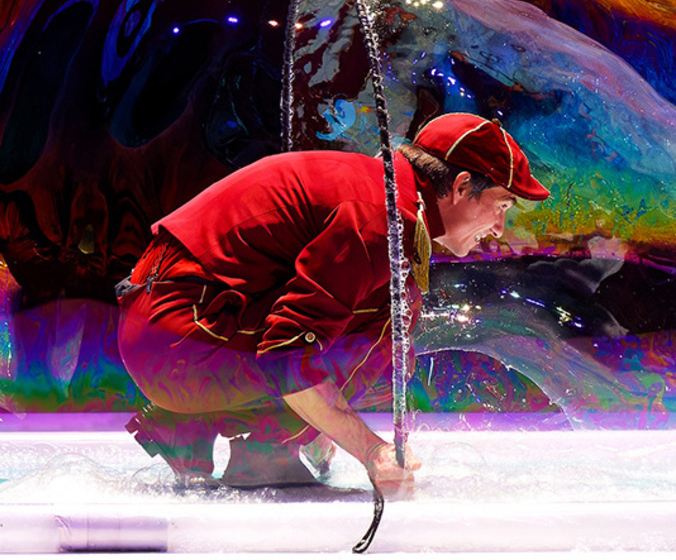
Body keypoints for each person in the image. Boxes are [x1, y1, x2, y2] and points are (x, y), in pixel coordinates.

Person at [115, 112, 550, 492]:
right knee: (393, 323)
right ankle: (261, 449)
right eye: (502, 206)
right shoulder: (381, 219)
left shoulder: (380, 192)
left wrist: (322, 428)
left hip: (171, 323)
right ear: (458, 187)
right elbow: (289, 353)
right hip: (180, 344)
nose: (498, 228)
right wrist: (371, 450)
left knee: (391, 314)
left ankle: (205, 426)